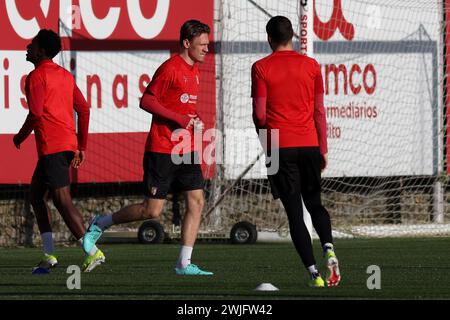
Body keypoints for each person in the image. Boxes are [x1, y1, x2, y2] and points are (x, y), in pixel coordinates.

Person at [83, 20, 213, 276]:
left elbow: (182, 106)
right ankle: (101, 222)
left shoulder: (195, 70)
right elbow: (147, 101)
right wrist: (178, 119)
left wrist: (194, 120)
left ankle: (184, 264)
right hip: (162, 149)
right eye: (202, 45)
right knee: (151, 210)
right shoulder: (170, 68)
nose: (206, 49)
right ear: (187, 43)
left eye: (208, 45)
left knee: (196, 201)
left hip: (186, 148)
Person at [251, 16, 341, 287]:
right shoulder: (311, 66)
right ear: (292, 36)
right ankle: (329, 248)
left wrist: (266, 141)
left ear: (269, 38)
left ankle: (314, 274)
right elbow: (319, 111)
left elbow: (259, 115)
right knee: (315, 204)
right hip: (309, 144)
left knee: (294, 212)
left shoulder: (260, 67)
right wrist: (322, 148)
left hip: (279, 145)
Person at [13, 29, 105, 273]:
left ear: (41, 51)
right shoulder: (64, 75)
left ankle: (93, 251)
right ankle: (49, 254)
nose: (27, 48)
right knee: (35, 196)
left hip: (53, 147)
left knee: (62, 199)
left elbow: (35, 113)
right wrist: (81, 146)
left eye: (31, 45)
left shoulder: (35, 77)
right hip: (62, 146)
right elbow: (84, 109)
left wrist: (19, 136)